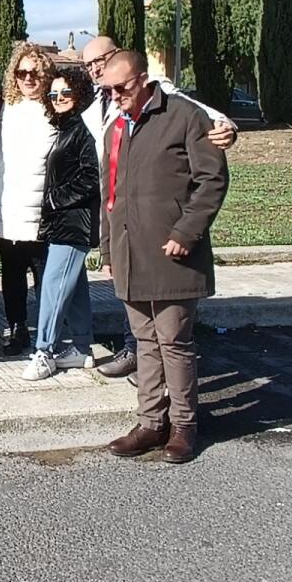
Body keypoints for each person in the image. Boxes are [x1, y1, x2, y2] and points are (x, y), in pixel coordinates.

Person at [80, 35, 237, 380]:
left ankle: (177, 412)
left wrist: (227, 131)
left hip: (160, 226)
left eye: (100, 60)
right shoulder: (98, 102)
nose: (95, 68)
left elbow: (210, 124)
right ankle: (143, 378)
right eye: (88, 64)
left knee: (170, 339)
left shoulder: (163, 96)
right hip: (122, 219)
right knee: (144, 332)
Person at [101, 51, 229, 464]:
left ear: (144, 79)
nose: (115, 95)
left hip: (174, 252)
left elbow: (212, 179)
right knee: (144, 342)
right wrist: (108, 249)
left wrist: (185, 233)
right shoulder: (115, 128)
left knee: (174, 340)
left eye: (122, 87)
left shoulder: (185, 116)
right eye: (109, 90)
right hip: (129, 252)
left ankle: (185, 426)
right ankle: (151, 423)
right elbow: (110, 197)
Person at [22, 66, 100, 380]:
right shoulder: (67, 127)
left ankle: (45, 351)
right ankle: (81, 348)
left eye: (65, 92)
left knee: (53, 287)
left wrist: (54, 200)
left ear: (79, 93)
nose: (58, 98)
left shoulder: (82, 129)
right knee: (74, 286)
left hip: (73, 223)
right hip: (63, 222)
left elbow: (90, 178)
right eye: (53, 94)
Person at [0, 43, 57, 356]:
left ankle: (48, 334)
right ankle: (18, 328)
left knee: (44, 274)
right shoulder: (3, 108)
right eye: (22, 72)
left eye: (36, 73)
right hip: (8, 204)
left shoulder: (57, 108)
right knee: (12, 272)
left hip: (44, 207)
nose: (29, 79)